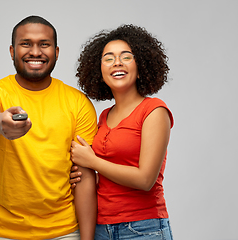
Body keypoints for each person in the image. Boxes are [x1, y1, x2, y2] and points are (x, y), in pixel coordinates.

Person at [0, 15, 97, 240]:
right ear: (12, 51)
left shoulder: (78, 102)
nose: (35, 52)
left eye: (44, 44)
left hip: (64, 231)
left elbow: (83, 176)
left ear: (56, 52)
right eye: (26, 43)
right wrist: (0, 122)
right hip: (1, 231)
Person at [70, 24, 174, 239]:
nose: (116, 62)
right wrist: (85, 177)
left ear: (141, 65)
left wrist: (92, 162)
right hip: (101, 227)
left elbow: (146, 180)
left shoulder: (154, 111)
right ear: (99, 70)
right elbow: (111, 175)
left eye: (126, 56)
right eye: (108, 58)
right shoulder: (104, 116)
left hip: (143, 228)